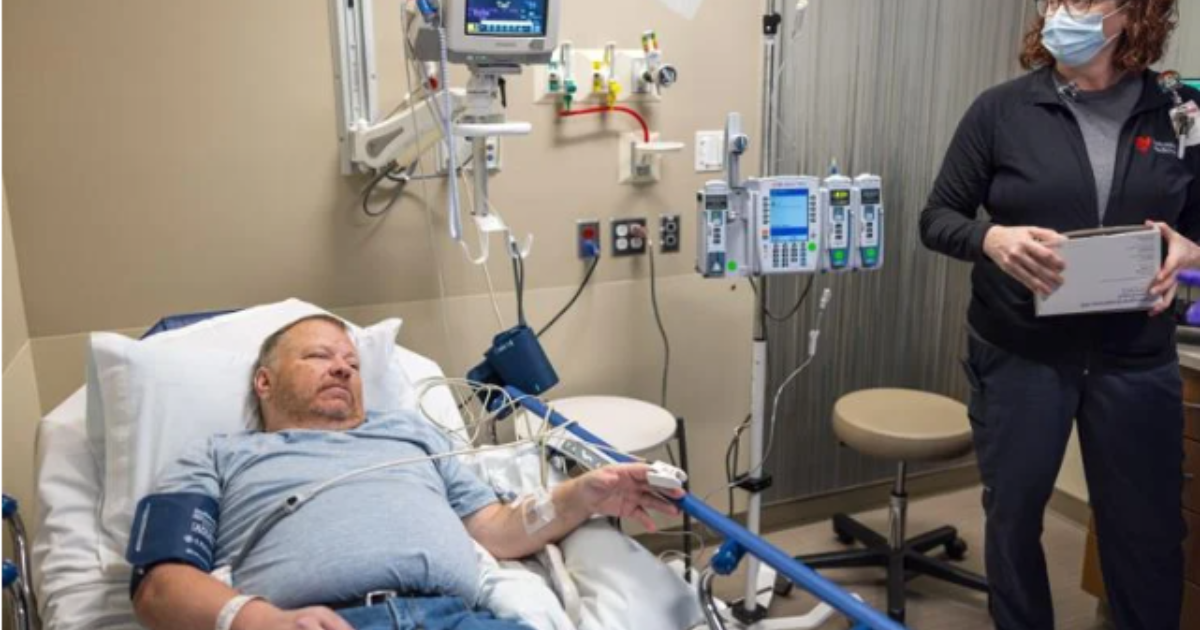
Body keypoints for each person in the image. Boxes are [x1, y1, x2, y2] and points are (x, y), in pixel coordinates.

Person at [127, 314, 683, 630]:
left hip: (462, 622)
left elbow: (495, 527)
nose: (343, 366)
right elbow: (158, 587)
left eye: (350, 361)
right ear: (264, 384)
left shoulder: (410, 435)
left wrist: (582, 496)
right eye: (319, 356)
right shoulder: (219, 456)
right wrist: (260, 622)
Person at [920, 1, 1196, 628]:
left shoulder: (1181, 114)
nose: (1058, 11)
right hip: (1021, 353)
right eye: (1052, 0)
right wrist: (992, 240)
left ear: (1134, 16)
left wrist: (1190, 250)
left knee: (1148, 532)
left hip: (1135, 356)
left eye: (1082, 0)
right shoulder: (1002, 110)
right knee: (1014, 518)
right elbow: (938, 218)